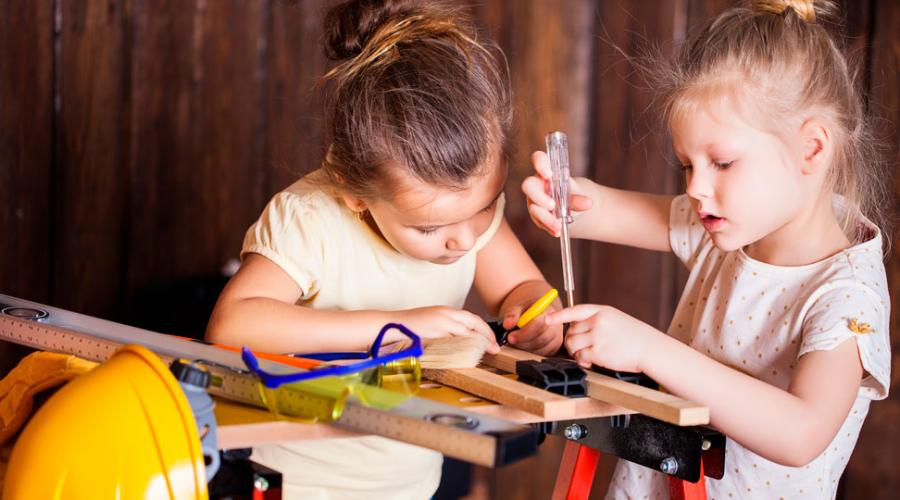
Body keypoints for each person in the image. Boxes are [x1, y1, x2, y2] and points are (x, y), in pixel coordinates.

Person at [522, 0, 891, 498]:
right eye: (687, 165)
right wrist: (564, 200)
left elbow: (801, 433)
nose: (696, 188)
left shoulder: (846, 296)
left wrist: (648, 350)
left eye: (721, 162)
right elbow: (603, 209)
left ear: (811, 149)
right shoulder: (731, 227)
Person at [206, 0, 562, 497]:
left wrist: (536, 315)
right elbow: (232, 325)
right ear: (357, 195)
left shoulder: (464, 217)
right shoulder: (312, 219)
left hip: (410, 479)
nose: (464, 239)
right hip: (296, 480)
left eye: (484, 209)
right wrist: (401, 325)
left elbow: (520, 289)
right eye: (430, 228)